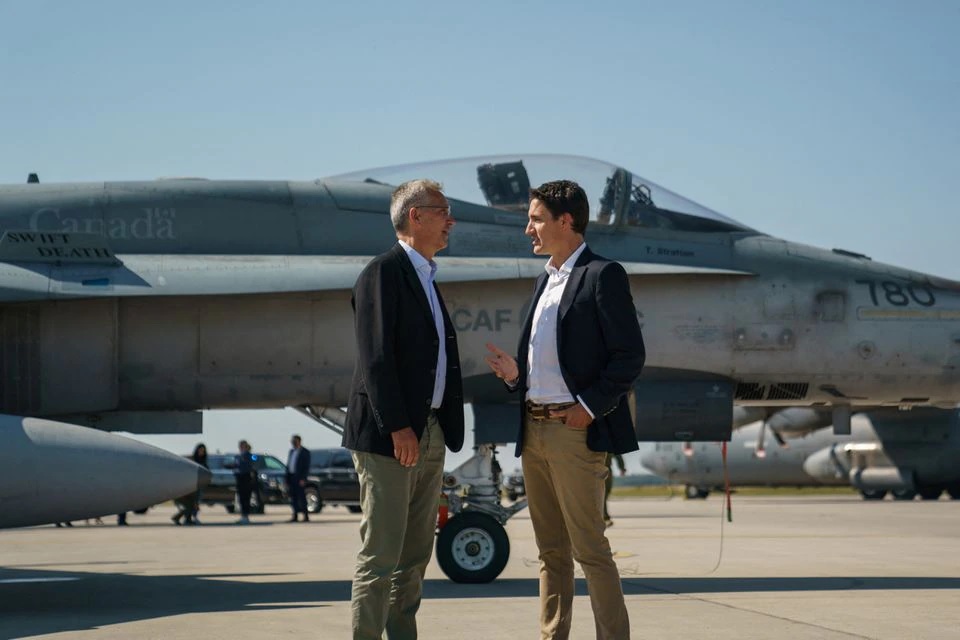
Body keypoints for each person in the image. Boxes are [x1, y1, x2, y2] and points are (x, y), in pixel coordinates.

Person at [485, 179, 645, 640]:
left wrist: (589, 407)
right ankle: (552, 635)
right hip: (533, 430)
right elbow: (555, 361)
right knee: (550, 552)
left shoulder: (602, 274)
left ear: (566, 221)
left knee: (589, 550)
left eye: (535, 219)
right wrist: (517, 376)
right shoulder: (546, 280)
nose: (527, 229)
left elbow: (629, 356)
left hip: (573, 431)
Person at [342, 178, 465, 640]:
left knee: (414, 558)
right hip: (391, 436)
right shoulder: (383, 273)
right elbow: (376, 357)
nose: (450, 221)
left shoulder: (428, 278)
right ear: (416, 215)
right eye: (443, 211)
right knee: (381, 557)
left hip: (428, 431)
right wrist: (398, 426)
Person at [173, 443, 209, 525]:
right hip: (191, 487)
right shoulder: (192, 461)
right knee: (192, 505)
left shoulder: (204, 462)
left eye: (203, 451)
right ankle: (185, 519)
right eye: (200, 450)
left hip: (199, 487)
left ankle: (188, 519)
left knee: (194, 505)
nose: (201, 452)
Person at [286, 435, 312, 522]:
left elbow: (306, 467)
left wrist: (303, 478)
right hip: (291, 477)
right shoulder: (291, 451)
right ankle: (295, 515)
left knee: (301, 498)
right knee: (293, 498)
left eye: (295, 441)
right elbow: (289, 465)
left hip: (300, 478)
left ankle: (305, 515)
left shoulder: (305, 452)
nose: (293, 443)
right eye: (292, 441)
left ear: (299, 441)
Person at [234, 440, 256, 525]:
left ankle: (246, 516)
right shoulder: (239, 456)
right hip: (240, 479)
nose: (240, 447)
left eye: (242, 446)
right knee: (241, 499)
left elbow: (251, 464)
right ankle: (243, 516)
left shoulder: (250, 456)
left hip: (246, 479)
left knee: (246, 499)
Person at [604, 453, 626, 527]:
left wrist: (622, 467)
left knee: (605, 493)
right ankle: (604, 517)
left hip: (604, 469)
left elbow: (617, 454)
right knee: (602, 495)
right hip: (592, 468)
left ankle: (604, 517)